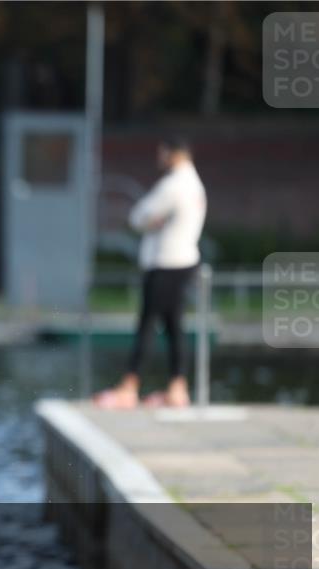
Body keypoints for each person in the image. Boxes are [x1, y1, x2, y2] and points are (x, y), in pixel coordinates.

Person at [95, 136, 207, 408]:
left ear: (175, 155)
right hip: (183, 260)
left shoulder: (173, 185)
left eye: (163, 153)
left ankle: (128, 387)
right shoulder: (194, 185)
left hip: (166, 263)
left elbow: (137, 216)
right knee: (173, 326)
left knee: (147, 324)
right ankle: (177, 388)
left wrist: (149, 222)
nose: (159, 158)